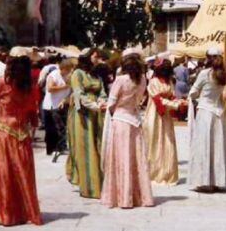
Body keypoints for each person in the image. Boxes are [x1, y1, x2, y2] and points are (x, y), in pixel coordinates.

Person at [0, 56, 42, 226]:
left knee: (4, 174)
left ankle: (5, 214)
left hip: (3, 133)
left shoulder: (3, 84)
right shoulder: (30, 88)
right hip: (22, 135)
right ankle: (26, 212)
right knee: (23, 175)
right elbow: (34, 117)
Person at [100, 51, 154, 208]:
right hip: (135, 120)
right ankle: (140, 196)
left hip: (120, 119)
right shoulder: (143, 79)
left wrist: (110, 111)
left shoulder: (121, 80)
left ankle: (122, 197)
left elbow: (111, 102)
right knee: (136, 159)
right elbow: (139, 100)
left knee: (121, 158)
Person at [188, 47, 226, 192]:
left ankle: (204, 180)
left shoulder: (204, 74)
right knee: (217, 146)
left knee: (205, 146)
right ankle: (217, 180)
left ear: (208, 58)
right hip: (218, 113)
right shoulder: (224, 75)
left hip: (205, 112)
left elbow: (193, 92)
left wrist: (195, 98)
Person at [66, 50, 107, 199]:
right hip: (82, 113)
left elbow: (102, 91)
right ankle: (88, 186)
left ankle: (98, 182)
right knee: (85, 146)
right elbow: (79, 95)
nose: (98, 59)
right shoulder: (78, 74)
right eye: (95, 56)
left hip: (96, 113)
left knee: (97, 146)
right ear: (87, 57)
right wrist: (95, 105)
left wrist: (102, 102)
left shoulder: (96, 75)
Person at [144, 55, 186, 186]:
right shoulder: (153, 82)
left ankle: (167, 172)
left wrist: (180, 101)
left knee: (167, 142)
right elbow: (158, 100)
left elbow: (172, 96)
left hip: (165, 116)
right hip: (154, 115)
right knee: (155, 142)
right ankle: (154, 174)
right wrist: (175, 105)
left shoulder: (169, 82)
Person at [42, 58, 73, 161]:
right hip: (52, 105)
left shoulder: (69, 76)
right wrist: (64, 87)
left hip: (63, 104)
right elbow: (50, 88)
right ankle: (52, 148)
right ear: (63, 68)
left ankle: (61, 147)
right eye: (68, 70)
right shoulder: (53, 75)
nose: (69, 72)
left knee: (62, 127)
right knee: (53, 128)